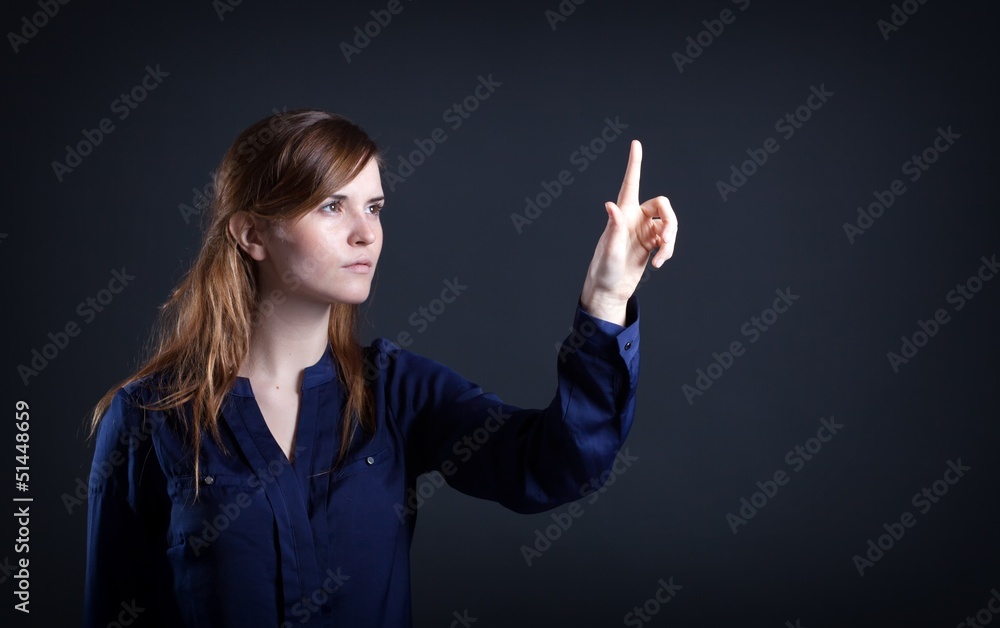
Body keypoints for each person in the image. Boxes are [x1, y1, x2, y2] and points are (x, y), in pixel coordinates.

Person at [83, 109, 678, 627]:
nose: (366, 233)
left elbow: (558, 465)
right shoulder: (147, 418)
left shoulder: (394, 392)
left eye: (374, 206)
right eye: (332, 206)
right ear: (252, 233)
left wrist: (606, 297)